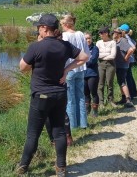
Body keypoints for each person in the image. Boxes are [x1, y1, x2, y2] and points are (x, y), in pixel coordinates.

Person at [16, 14, 89, 176]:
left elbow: (22, 67)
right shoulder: (64, 45)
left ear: (44, 28)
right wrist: (65, 70)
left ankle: (23, 167)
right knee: (59, 132)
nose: (37, 30)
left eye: (38, 27)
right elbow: (84, 57)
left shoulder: (36, 47)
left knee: (33, 133)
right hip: (59, 94)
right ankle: (61, 168)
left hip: (40, 95)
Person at [60, 14, 90, 129]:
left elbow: (64, 54)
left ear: (67, 24)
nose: (61, 26)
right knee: (81, 97)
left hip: (69, 69)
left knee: (70, 99)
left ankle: (72, 125)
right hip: (81, 68)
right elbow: (87, 53)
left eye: (62, 24)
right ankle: (83, 123)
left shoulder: (65, 36)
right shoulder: (81, 34)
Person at [112, 27, 135, 107]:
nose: (113, 34)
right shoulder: (116, 41)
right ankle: (123, 98)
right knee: (120, 81)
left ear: (118, 34)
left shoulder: (122, 40)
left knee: (122, 82)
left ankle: (128, 100)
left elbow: (131, 50)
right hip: (118, 65)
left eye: (114, 32)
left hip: (122, 65)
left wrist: (126, 57)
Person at [96, 26, 117, 107]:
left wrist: (102, 56)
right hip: (100, 64)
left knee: (109, 83)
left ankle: (111, 100)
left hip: (110, 64)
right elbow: (97, 54)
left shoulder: (112, 42)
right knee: (100, 84)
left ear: (106, 33)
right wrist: (107, 54)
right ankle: (101, 102)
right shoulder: (98, 42)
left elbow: (113, 56)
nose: (100, 34)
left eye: (101, 33)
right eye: (100, 33)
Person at [119, 24, 137, 99]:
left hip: (128, 60)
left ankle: (131, 94)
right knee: (129, 76)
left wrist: (127, 56)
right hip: (130, 60)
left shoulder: (126, 37)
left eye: (120, 30)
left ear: (123, 31)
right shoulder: (128, 37)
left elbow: (133, 47)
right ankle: (133, 93)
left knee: (128, 77)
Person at [83, 32, 100, 117]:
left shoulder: (95, 48)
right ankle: (87, 110)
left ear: (91, 38)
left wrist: (82, 62)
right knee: (85, 94)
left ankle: (95, 111)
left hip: (92, 74)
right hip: (83, 74)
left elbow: (92, 60)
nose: (88, 40)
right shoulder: (81, 48)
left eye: (89, 38)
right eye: (86, 39)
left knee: (93, 93)